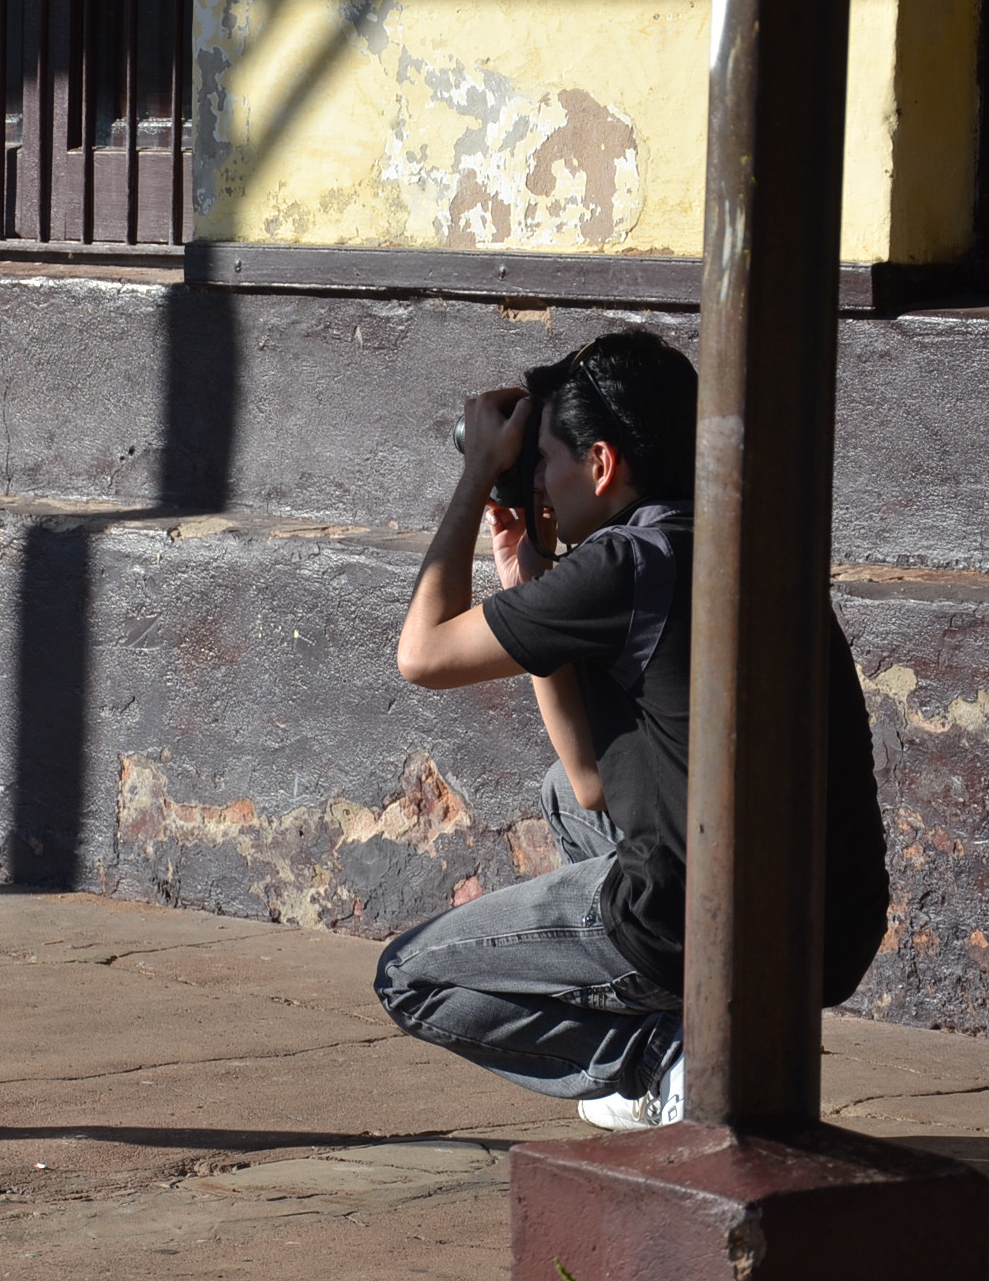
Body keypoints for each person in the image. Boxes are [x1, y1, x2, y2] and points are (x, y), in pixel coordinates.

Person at [378, 329, 888, 1131]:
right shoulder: (744, 543)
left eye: (545, 460)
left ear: (604, 463)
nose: (537, 483)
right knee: (560, 794)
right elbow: (591, 783)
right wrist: (523, 580)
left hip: (701, 927)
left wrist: (477, 474)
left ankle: (666, 1056)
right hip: (831, 931)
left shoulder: (624, 563)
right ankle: (691, 1026)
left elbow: (422, 654)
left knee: (410, 977)